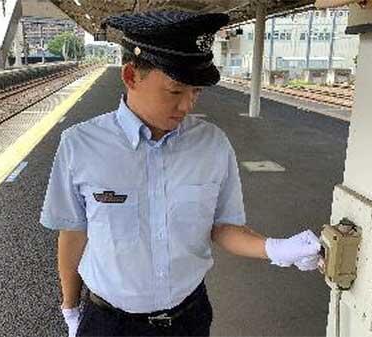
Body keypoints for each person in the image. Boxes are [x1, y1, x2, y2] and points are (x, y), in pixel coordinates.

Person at [40, 10, 321, 337]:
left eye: (196, 92)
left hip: (189, 320)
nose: (188, 105)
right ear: (131, 76)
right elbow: (73, 234)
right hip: (109, 323)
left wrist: (275, 249)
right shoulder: (80, 145)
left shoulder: (212, 144)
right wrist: (70, 308)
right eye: (175, 91)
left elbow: (223, 226)